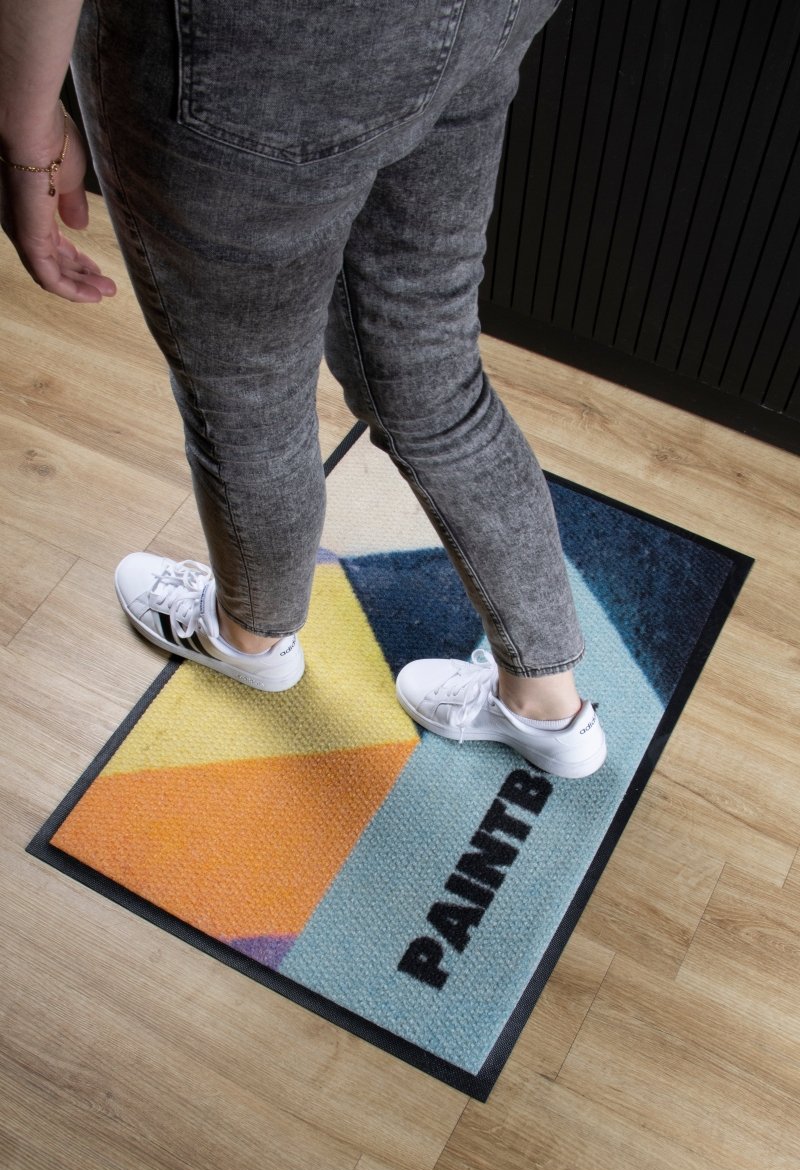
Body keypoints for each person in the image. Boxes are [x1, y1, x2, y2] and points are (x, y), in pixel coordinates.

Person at [0, 0, 606, 779]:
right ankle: (547, 705)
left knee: (248, 385)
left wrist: (23, 130)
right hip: (477, 18)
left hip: (249, 48)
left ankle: (248, 638)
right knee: (429, 363)